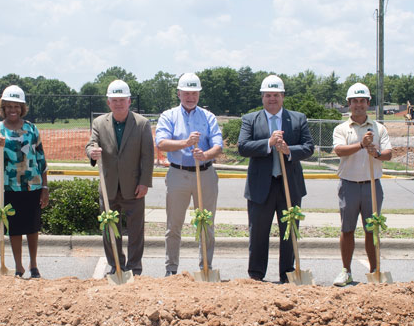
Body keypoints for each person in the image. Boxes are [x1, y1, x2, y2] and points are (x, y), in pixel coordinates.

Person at [238, 75, 314, 283]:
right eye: (268, 95)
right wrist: (268, 143)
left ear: (282, 96)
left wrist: (289, 150)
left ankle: (287, 274)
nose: (272, 99)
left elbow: (309, 147)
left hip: (289, 185)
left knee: (289, 232)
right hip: (260, 187)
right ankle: (256, 275)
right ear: (263, 97)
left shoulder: (298, 118)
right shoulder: (250, 119)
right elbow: (243, 147)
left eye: (276, 95)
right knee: (258, 233)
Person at [155, 73, 223, 277]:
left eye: (194, 93)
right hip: (178, 174)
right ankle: (171, 268)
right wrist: (185, 143)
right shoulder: (169, 116)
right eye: (186, 93)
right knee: (174, 225)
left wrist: (205, 155)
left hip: (205, 174)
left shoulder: (208, 117)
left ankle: (205, 268)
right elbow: (161, 142)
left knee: (206, 223)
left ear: (199, 94)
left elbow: (218, 146)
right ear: (179, 93)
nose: (190, 97)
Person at [85, 79, 154, 276]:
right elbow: (91, 144)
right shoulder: (99, 123)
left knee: (135, 232)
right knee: (109, 230)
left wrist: (144, 182)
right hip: (109, 188)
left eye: (122, 100)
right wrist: (92, 152)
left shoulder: (141, 124)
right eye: (114, 100)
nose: (118, 103)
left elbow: (147, 156)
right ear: (108, 103)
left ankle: (134, 268)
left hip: (134, 187)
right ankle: (115, 265)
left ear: (129, 101)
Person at [330, 83, 392, 287]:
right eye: (354, 101)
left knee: (371, 229)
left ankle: (375, 270)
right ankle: (346, 270)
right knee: (347, 229)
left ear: (368, 103)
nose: (358, 105)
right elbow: (339, 151)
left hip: (372, 184)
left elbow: (388, 154)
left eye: (362, 101)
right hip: (348, 184)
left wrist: (376, 153)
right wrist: (361, 145)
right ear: (349, 104)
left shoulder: (378, 128)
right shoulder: (341, 128)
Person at [0, 85, 49, 279]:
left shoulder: (31, 129)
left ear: (22, 108)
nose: (12, 110)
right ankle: (18, 267)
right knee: (14, 228)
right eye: (9, 106)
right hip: (8, 187)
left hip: (32, 185)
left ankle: (34, 265)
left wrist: (45, 187)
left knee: (32, 227)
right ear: (3, 108)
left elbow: (41, 159)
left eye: (16, 106)